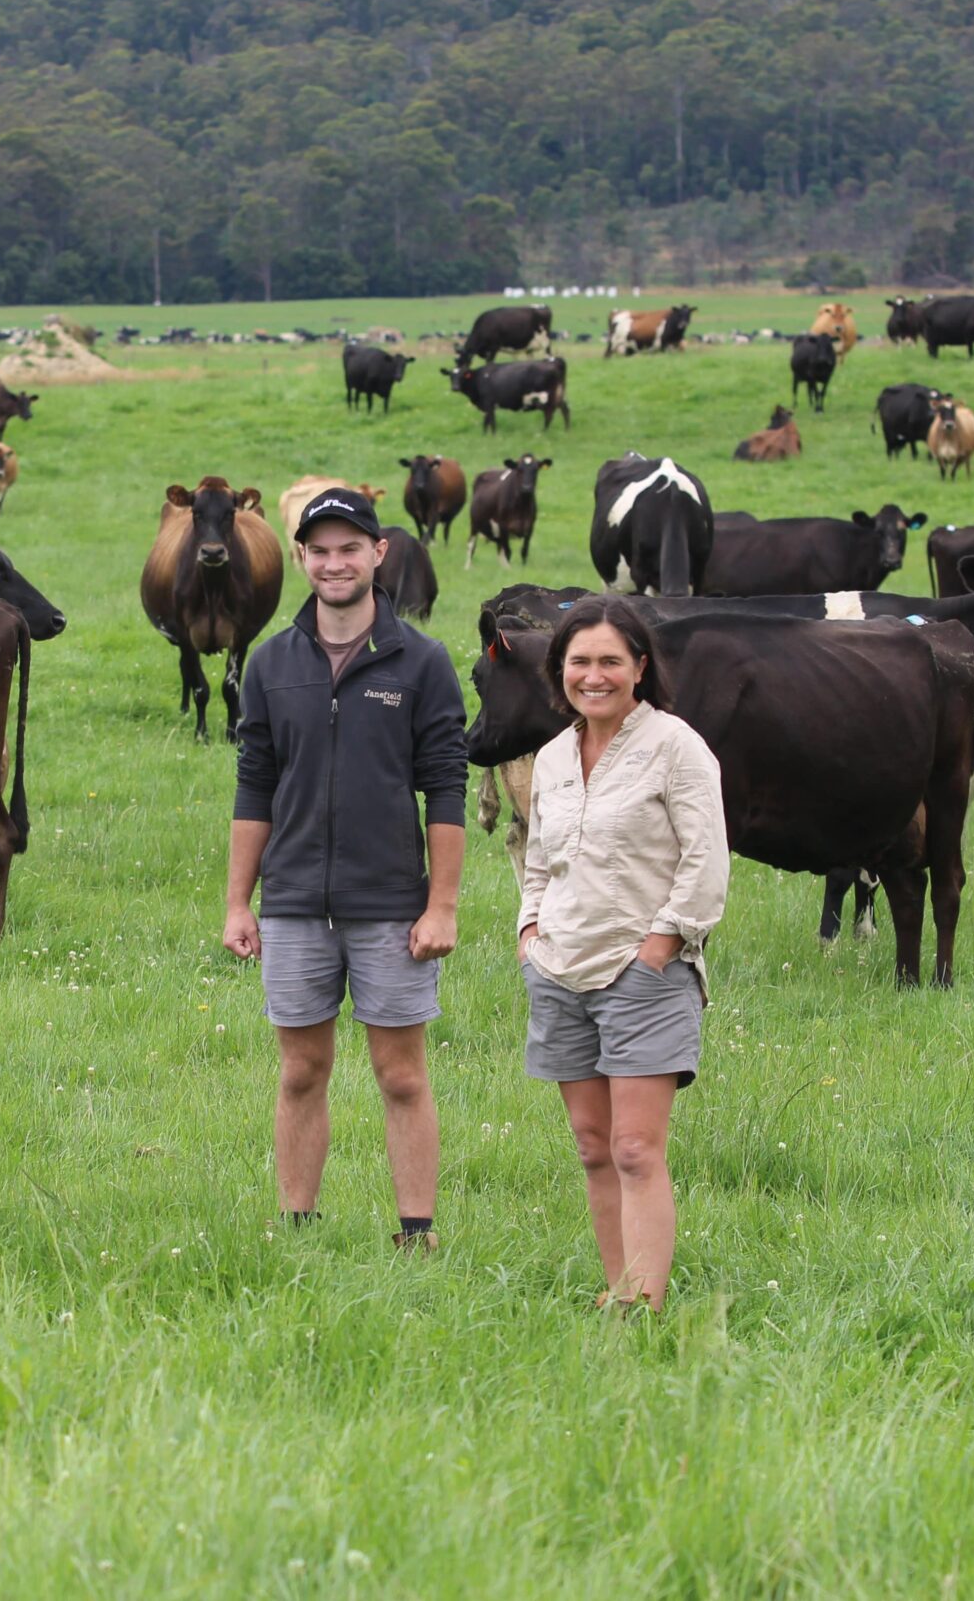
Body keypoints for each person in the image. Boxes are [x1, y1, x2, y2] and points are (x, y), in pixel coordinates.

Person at [226, 487, 467, 1250]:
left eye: (349, 548)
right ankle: (297, 1223)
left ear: (378, 554)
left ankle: (416, 1230)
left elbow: (447, 790)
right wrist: (239, 900)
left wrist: (443, 904)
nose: (335, 562)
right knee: (300, 1069)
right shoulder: (270, 663)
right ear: (300, 558)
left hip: (392, 904)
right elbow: (253, 786)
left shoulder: (422, 662)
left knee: (400, 1073)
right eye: (320, 550)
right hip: (295, 900)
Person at [515, 596, 728, 1310]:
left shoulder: (676, 746)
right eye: (580, 661)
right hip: (559, 969)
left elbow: (706, 859)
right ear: (560, 670)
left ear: (640, 666)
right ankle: (616, 1289)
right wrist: (529, 932)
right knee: (592, 1146)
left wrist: (662, 944)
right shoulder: (549, 758)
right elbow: (538, 860)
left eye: (611, 660)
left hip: (643, 972)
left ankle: (645, 1302)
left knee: (636, 1149)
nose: (594, 675)